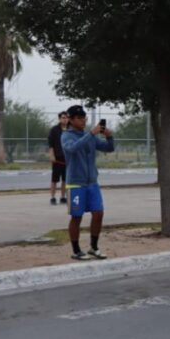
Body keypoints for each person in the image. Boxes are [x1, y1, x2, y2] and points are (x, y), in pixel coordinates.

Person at [60, 104, 114, 260]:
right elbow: (72, 149)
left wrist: (109, 136)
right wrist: (91, 134)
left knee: (98, 213)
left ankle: (94, 247)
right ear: (70, 120)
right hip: (75, 183)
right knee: (76, 216)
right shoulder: (66, 136)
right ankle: (76, 250)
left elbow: (108, 148)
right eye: (79, 118)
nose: (83, 121)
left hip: (92, 182)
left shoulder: (89, 136)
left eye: (84, 118)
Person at [47, 111, 68, 205]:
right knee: (54, 179)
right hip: (57, 159)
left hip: (68, 159)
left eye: (67, 117)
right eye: (63, 117)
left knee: (65, 180)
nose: (65, 119)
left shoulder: (71, 129)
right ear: (59, 119)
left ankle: (63, 197)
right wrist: (52, 155)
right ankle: (52, 197)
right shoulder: (54, 130)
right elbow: (51, 144)